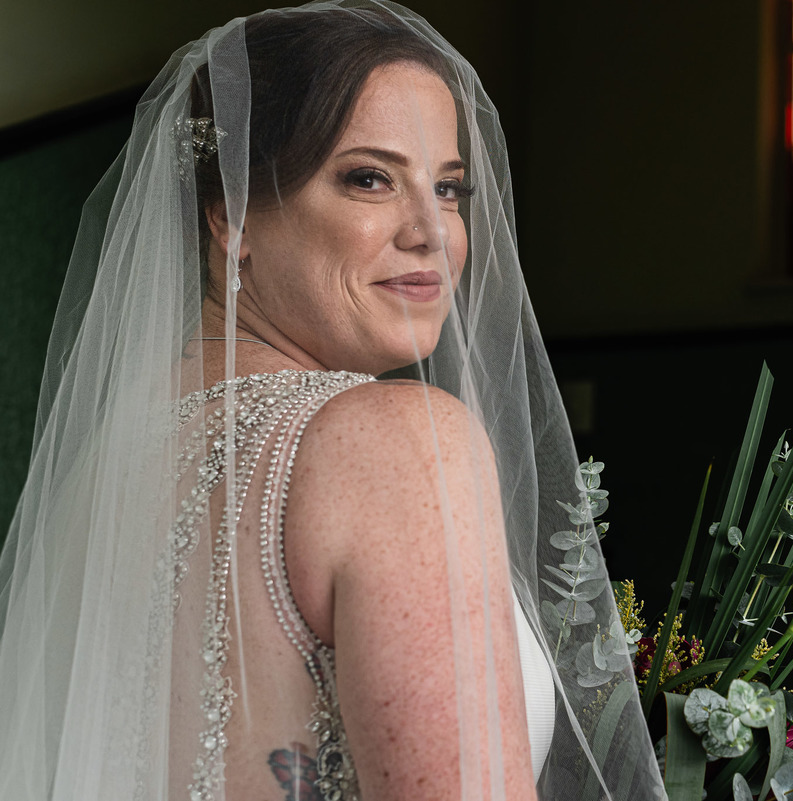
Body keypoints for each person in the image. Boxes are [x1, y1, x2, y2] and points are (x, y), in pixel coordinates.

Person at [0, 3, 665, 800]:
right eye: (370, 178)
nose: (433, 232)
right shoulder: (400, 442)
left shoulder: (104, 470)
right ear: (232, 215)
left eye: (449, 188)